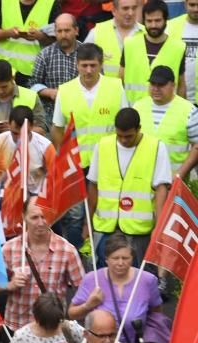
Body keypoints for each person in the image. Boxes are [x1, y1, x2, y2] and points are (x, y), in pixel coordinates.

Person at [87, 107, 173, 262]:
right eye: (119, 136)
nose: (124, 140)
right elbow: (93, 185)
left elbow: (161, 189)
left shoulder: (156, 147)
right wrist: (87, 222)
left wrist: (159, 228)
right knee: (104, 277)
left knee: (137, 278)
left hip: (139, 230)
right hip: (106, 227)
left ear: (139, 129)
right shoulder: (103, 145)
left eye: (128, 136)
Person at [0, 200, 83, 335]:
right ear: (24, 217)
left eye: (44, 216)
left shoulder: (67, 250)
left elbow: (82, 289)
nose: (40, 222)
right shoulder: (8, 249)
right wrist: (9, 285)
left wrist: (70, 313)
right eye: (34, 217)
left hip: (53, 328)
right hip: (18, 328)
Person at [68, 233, 164, 343]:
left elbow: (156, 313)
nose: (120, 263)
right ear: (107, 259)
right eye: (115, 258)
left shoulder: (147, 280)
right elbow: (72, 314)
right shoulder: (91, 279)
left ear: (132, 258)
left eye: (125, 258)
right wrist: (88, 305)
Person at [51, 44, 129, 175]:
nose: (88, 70)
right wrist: (63, 159)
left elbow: (125, 125)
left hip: (109, 161)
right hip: (76, 164)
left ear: (101, 64)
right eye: (84, 65)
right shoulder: (65, 91)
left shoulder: (115, 87)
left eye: (93, 66)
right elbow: (57, 128)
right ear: (77, 65)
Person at [134, 64, 198, 178]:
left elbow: (196, 146)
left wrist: (180, 174)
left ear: (173, 85)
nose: (156, 88)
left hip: (174, 182)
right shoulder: (138, 107)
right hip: (141, 179)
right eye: (153, 84)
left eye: (161, 85)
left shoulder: (189, 110)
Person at [122, 0, 186, 103]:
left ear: (166, 20)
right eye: (149, 21)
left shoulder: (178, 47)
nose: (153, 25)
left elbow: (181, 85)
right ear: (144, 21)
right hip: (134, 111)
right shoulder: (130, 44)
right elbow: (121, 78)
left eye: (157, 20)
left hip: (166, 110)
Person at [0, 0, 62, 85]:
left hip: (35, 72)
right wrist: (8, 33)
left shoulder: (51, 3)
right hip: (5, 70)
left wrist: (40, 36)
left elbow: (58, 39)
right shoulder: (5, 1)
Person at [29, 13, 80, 127]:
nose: (63, 35)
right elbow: (32, 85)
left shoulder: (85, 53)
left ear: (76, 30)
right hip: (51, 118)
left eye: (67, 30)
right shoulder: (45, 55)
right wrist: (51, 93)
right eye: (59, 31)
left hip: (79, 115)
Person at [0, 106, 55, 193]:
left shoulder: (46, 147)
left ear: (32, 125)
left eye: (23, 133)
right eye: (15, 133)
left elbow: (55, 178)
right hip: (2, 196)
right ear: (8, 124)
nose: (19, 138)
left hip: (33, 198)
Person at [0, 60, 47, 135]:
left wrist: (16, 130)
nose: (0, 91)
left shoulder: (31, 97)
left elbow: (41, 130)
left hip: (23, 146)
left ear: (13, 78)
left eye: (4, 87)